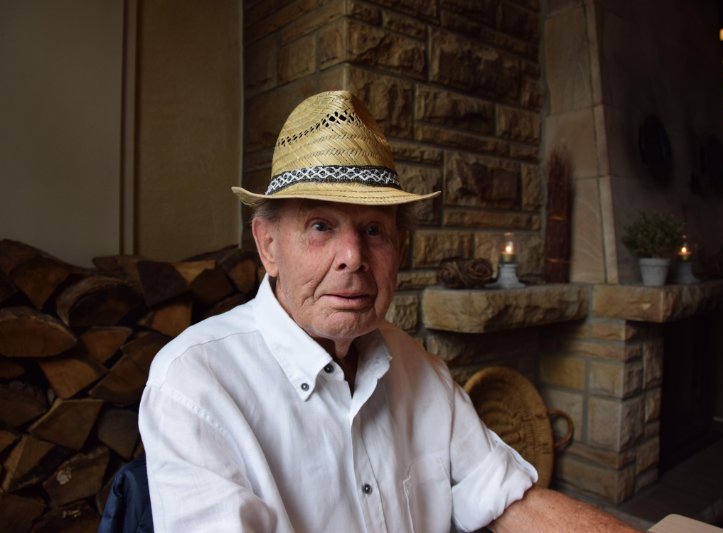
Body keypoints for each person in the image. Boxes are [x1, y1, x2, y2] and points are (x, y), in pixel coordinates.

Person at [138, 91, 640, 532]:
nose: (353, 256)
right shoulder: (195, 384)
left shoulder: (421, 370)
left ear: (399, 248)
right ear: (268, 245)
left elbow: (507, 498)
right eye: (320, 225)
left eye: (374, 230)